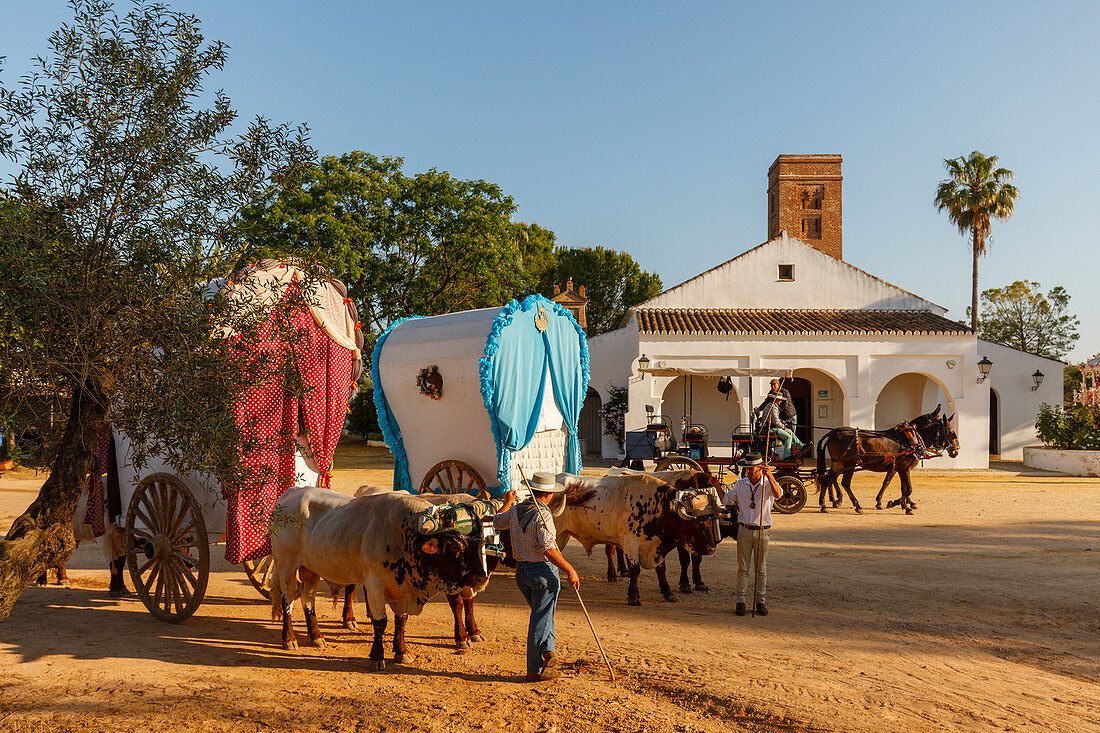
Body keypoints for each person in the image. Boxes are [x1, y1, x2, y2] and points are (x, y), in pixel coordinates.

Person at [494, 471, 581, 682]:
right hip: (542, 572)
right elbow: (548, 549)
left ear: (533, 490)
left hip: (522, 572)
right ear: (549, 495)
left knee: (543, 616)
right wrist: (569, 569)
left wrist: (507, 502)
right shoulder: (543, 515)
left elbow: (497, 521)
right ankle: (533, 669)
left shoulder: (515, 510)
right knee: (539, 619)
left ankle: (549, 655)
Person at [722, 453, 783, 616]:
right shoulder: (741, 484)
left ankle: (760, 602)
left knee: (760, 569)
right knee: (743, 568)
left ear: (760, 469)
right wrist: (715, 485)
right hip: (744, 530)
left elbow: (778, 495)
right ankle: (740, 601)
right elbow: (726, 500)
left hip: (763, 530)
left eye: (751, 469)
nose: (748, 471)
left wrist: (770, 475)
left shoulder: (768, 484)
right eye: (747, 469)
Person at [756, 395, 804, 459]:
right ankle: (787, 456)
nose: (781, 401)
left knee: (790, 431)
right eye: (780, 400)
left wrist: (781, 421)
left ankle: (801, 446)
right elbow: (776, 422)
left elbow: (775, 419)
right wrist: (783, 427)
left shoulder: (771, 406)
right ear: (776, 400)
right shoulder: (773, 407)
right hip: (770, 429)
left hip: (773, 427)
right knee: (788, 437)